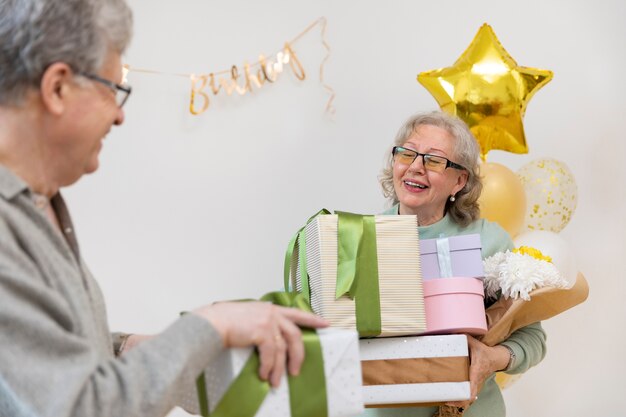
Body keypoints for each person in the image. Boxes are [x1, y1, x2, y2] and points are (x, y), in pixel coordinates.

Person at [0, 0, 328, 416]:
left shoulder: (39, 203)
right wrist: (212, 325)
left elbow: (46, 357)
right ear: (58, 88)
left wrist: (125, 348)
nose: (119, 116)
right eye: (112, 90)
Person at [365, 111, 547, 417]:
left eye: (434, 160)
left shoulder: (489, 241)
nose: (415, 167)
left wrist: (490, 358)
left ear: (459, 180)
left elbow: (533, 339)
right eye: (407, 153)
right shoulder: (360, 239)